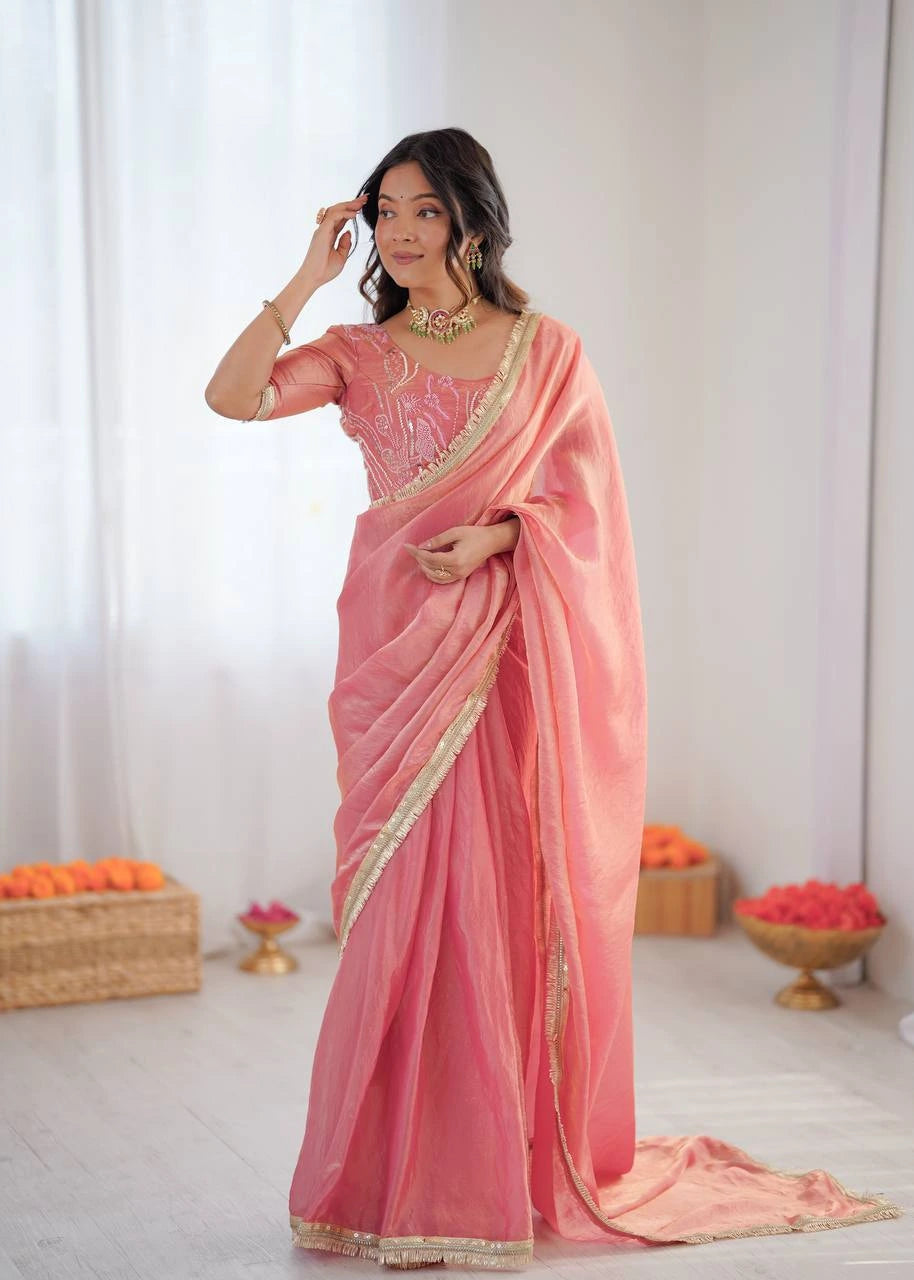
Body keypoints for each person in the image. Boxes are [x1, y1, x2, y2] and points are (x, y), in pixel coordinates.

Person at [205, 128, 901, 1271]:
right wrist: (303, 279)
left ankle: (486, 1170)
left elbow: (586, 510)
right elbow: (230, 396)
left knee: (494, 905)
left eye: (423, 210)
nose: (399, 233)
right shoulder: (356, 351)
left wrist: (497, 537)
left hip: (502, 656)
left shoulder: (546, 350)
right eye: (383, 212)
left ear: (472, 222)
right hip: (394, 653)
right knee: (395, 908)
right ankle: (385, 1175)